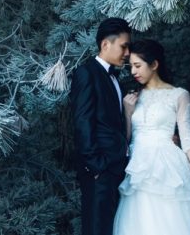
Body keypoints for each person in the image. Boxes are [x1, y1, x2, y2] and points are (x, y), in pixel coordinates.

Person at [113, 39, 190, 235]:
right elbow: (125, 140)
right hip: (138, 170)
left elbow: (189, 141)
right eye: (131, 66)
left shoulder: (179, 95)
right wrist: (127, 113)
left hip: (168, 167)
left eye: (137, 65)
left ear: (155, 64)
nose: (133, 72)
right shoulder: (132, 97)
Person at [70, 18, 131, 235]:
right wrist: (96, 166)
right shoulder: (86, 73)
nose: (127, 53)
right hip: (100, 171)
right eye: (123, 46)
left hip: (117, 168)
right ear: (106, 44)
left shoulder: (117, 80)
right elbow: (82, 122)